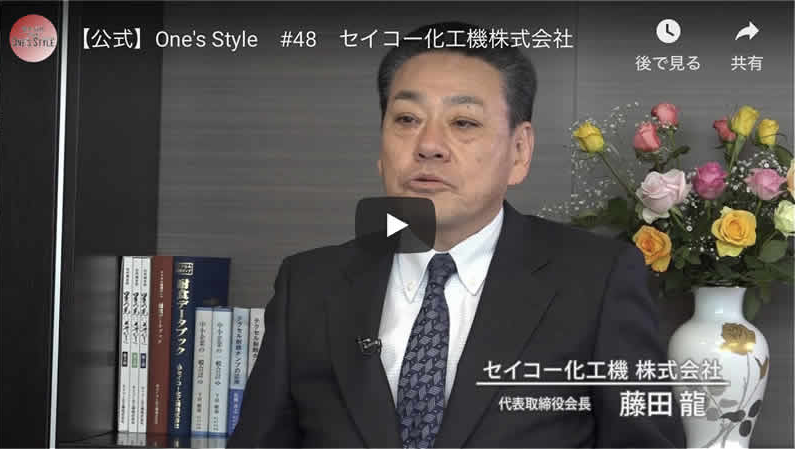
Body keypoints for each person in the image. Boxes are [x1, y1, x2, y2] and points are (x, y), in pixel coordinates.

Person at [229, 22, 686, 448]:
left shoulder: (598, 280)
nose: (428, 146)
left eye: (463, 122)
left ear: (519, 151)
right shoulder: (309, 285)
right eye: (406, 119)